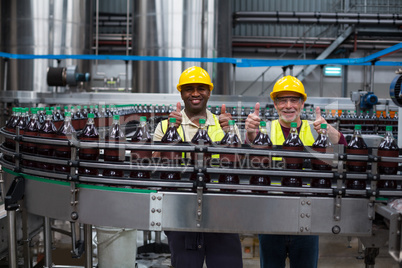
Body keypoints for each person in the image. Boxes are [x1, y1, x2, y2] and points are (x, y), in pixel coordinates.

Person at [245, 75, 347, 268]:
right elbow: (246, 159)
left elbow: (344, 152)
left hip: (306, 216)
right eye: (283, 100)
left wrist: (330, 130)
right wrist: (250, 135)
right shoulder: (264, 129)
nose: (288, 106)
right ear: (275, 104)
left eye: (294, 100)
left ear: (302, 104)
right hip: (271, 218)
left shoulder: (315, 130)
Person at [153, 66, 243, 268]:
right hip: (181, 214)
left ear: (209, 92)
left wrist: (230, 133)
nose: (195, 93)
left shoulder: (226, 125)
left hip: (223, 214)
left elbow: (239, 165)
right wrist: (171, 134)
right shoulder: (164, 126)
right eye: (189, 89)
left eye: (201, 88)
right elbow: (155, 166)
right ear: (181, 93)